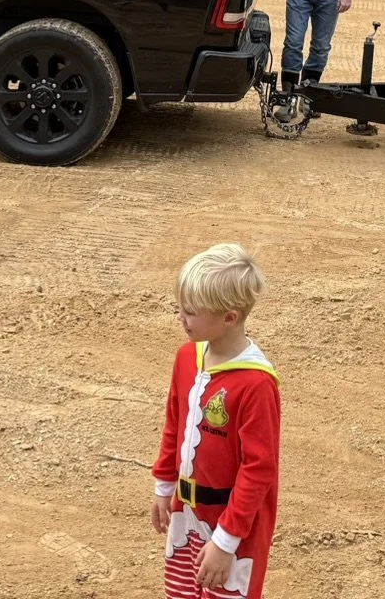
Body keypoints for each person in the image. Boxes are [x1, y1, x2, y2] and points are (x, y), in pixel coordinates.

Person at [150, 244, 281, 599]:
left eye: (190, 312)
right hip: (186, 515)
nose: (180, 317)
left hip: (232, 529)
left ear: (229, 317)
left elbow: (259, 469)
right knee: (181, 592)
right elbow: (174, 425)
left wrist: (225, 542)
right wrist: (164, 487)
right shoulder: (186, 358)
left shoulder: (256, 384)